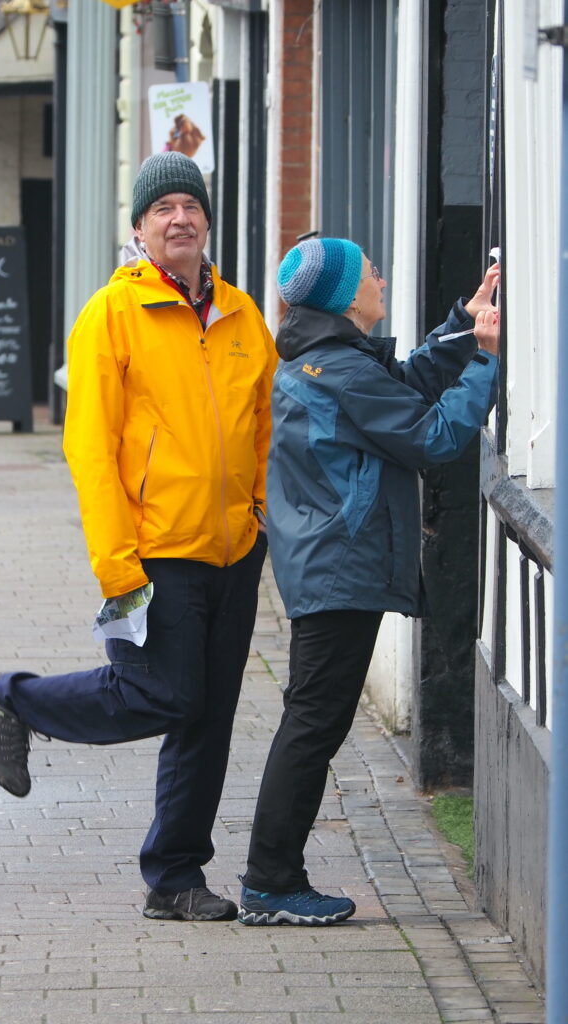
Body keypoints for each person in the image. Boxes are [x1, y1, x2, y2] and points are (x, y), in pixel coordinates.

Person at [0, 152, 277, 922]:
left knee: (205, 717)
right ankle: (11, 699)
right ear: (139, 228)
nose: (179, 219)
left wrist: (259, 517)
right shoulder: (111, 315)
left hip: (234, 551)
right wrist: (116, 564)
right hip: (154, 549)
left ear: (206, 219)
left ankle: (175, 878)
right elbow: (90, 448)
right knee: (161, 694)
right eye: (162, 208)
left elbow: (264, 428)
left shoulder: (242, 315)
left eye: (190, 206)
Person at [238, 237, 500, 926]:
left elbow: (404, 388)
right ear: (343, 295)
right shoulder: (337, 370)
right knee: (313, 723)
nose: (379, 278)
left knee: (311, 719)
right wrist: (485, 361)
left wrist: (460, 326)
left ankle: (272, 877)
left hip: (332, 563)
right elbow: (432, 436)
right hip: (338, 566)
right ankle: (270, 882)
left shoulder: (330, 361)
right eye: (368, 271)